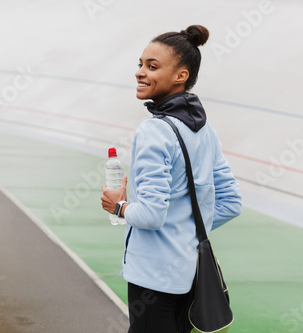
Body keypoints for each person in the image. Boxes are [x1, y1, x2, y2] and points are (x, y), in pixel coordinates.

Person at [101, 25, 242, 333]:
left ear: (181, 76)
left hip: (154, 276)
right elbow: (231, 204)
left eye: (152, 66)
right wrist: (183, 234)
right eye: (140, 64)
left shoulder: (154, 131)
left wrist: (118, 207)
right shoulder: (205, 131)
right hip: (190, 273)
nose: (140, 72)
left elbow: (151, 215)